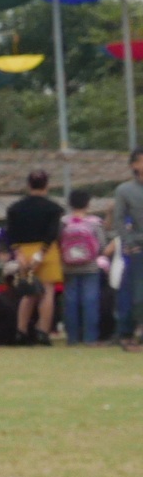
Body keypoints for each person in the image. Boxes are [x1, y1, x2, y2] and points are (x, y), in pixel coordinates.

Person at [4, 169, 64, 345]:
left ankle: (21, 331)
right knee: (47, 291)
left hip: (24, 252)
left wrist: (18, 253)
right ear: (47, 185)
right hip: (47, 251)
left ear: (29, 185)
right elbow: (53, 233)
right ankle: (43, 332)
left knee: (28, 292)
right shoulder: (54, 208)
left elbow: (11, 233)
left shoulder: (15, 208)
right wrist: (42, 253)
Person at [59, 188, 112, 345]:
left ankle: (73, 338)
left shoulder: (63, 222)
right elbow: (102, 245)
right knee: (90, 301)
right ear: (88, 204)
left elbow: (58, 242)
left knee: (71, 302)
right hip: (90, 267)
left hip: (68, 267)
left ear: (70, 203)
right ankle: (90, 338)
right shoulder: (94, 222)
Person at [113, 148, 143, 350]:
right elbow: (119, 219)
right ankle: (130, 332)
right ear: (134, 165)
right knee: (136, 292)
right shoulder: (125, 190)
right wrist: (129, 241)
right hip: (138, 247)